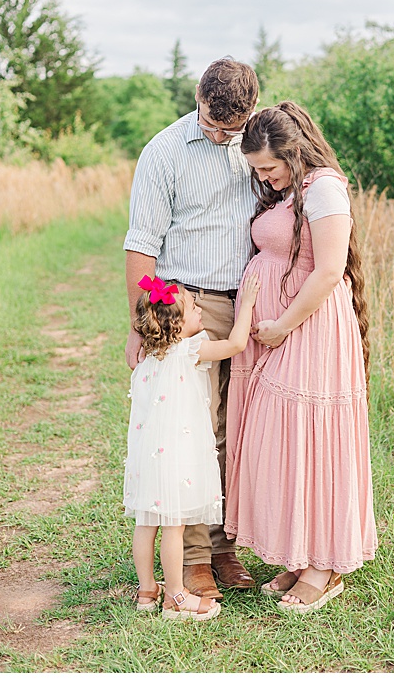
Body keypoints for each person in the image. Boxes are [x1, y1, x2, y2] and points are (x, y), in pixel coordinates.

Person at [226, 101, 377, 613]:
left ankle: (325, 567)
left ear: (293, 152)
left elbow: (329, 270)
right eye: (256, 170)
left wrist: (282, 324)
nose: (263, 178)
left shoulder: (325, 188)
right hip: (282, 329)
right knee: (285, 441)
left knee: (313, 439)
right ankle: (301, 552)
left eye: (268, 167)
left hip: (310, 330)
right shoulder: (292, 189)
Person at [123, 57, 260, 602]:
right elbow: (142, 247)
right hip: (190, 306)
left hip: (248, 301)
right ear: (198, 98)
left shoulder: (259, 143)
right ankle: (198, 557)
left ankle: (229, 544)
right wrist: (141, 323)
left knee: (243, 429)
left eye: (231, 129)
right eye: (211, 124)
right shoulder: (164, 152)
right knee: (197, 433)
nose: (220, 136)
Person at [125, 274, 260, 621]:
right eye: (193, 308)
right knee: (174, 525)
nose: (200, 310)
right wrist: (246, 304)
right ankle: (176, 596)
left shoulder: (149, 357)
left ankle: (147, 590)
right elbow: (236, 344)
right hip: (178, 458)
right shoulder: (190, 350)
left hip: (148, 457)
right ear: (177, 325)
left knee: (146, 524)